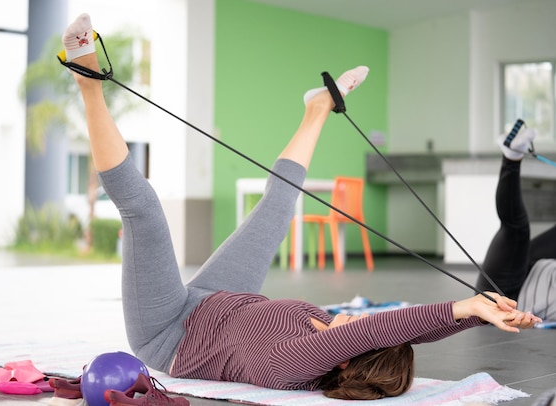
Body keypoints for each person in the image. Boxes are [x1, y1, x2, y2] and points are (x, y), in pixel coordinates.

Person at [61, 13, 541, 401]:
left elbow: (393, 326)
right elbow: (398, 330)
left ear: (348, 357)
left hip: (168, 331)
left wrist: (462, 306)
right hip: (220, 298)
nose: (370, 325)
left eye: (368, 336)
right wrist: (483, 312)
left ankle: (88, 82)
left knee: (145, 210)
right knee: (278, 210)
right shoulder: (332, 335)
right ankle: (316, 110)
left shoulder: (297, 366)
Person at [477, 125, 556, 322]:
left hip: (505, 298)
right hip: (536, 266)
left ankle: (511, 157)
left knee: (516, 229)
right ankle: (512, 153)